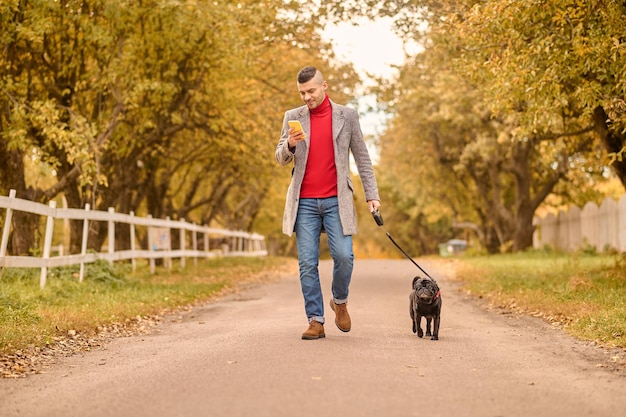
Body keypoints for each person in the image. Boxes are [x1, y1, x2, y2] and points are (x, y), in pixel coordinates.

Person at [275, 66, 381, 340]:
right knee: (307, 263)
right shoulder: (292, 117)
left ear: (324, 87)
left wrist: (372, 195)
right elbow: (280, 158)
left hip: (337, 199)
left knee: (345, 256)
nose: (306, 97)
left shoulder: (347, 115)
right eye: (302, 93)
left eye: (311, 91)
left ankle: (340, 301)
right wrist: (290, 144)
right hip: (305, 202)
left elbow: (363, 158)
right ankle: (315, 320)